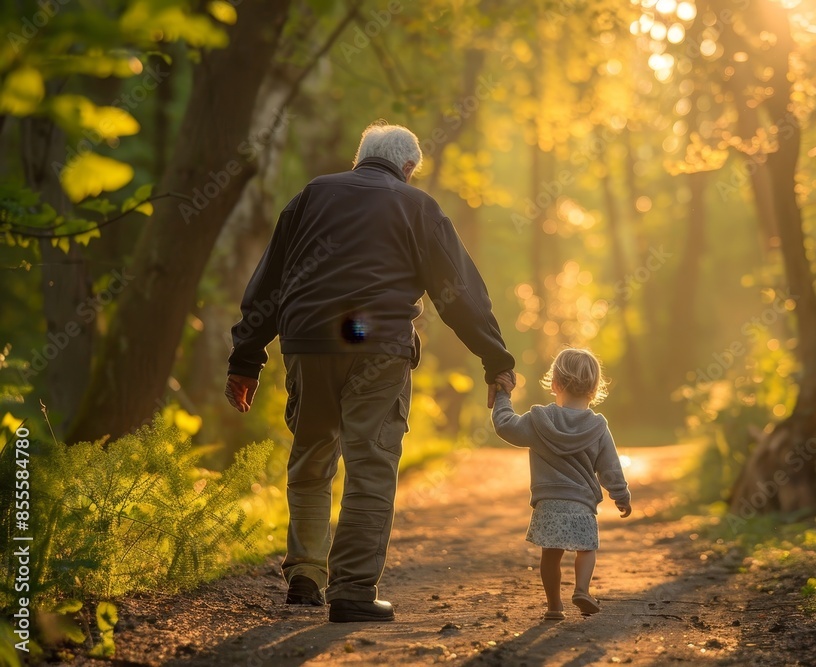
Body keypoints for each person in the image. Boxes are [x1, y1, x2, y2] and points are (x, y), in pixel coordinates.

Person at [225, 121, 516, 623]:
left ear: (360, 158)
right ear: (407, 168)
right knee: (371, 461)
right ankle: (354, 590)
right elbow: (458, 293)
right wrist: (496, 361)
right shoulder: (416, 206)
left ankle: (306, 576)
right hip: (378, 345)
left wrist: (246, 358)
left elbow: (269, 279)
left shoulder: (311, 196)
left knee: (312, 454)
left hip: (308, 342)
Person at [491, 348, 631, 621]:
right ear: (594, 389)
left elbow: (505, 425)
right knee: (587, 549)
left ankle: (554, 607)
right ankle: (581, 589)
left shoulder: (539, 420)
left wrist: (503, 395)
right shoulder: (598, 427)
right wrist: (621, 494)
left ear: (555, 384)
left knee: (551, 556)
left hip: (549, 503)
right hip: (581, 504)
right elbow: (610, 467)